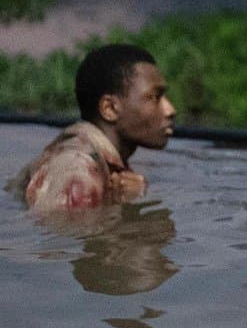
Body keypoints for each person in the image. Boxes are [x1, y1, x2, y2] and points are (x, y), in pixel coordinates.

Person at [14, 43, 176, 214]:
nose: (170, 110)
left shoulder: (103, 162)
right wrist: (130, 207)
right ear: (109, 109)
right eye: (154, 97)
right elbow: (61, 230)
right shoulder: (77, 169)